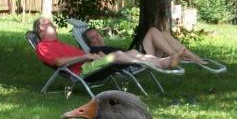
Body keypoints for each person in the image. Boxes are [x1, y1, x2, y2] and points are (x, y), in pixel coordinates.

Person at [31, 18, 183, 74]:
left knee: (131, 53)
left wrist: (93, 56)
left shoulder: (57, 43)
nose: (53, 24)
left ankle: (162, 62)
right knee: (117, 55)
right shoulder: (43, 47)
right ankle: (161, 63)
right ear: (41, 28)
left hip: (92, 63)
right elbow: (58, 62)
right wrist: (86, 56)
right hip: (85, 70)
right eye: (49, 23)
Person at [85, 26, 205, 64]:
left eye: (97, 34)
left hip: (137, 54)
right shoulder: (94, 49)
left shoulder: (103, 46)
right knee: (153, 30)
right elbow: (101, 60)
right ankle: (175, 55)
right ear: (89, 43)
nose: (97, 38)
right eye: (93, 38)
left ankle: (189, 54)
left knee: (163, 33)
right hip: (137, 58)